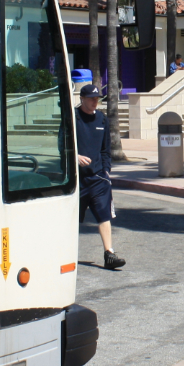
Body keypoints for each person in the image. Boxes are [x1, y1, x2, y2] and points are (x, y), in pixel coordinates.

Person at [75, 84, 125, 269]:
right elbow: (62, 145)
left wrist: (106, 171)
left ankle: (109, 253)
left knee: (104, 216)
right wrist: (75, 157)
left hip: (98, 178)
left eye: (97, 98)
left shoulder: (102, 119)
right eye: (91, 98)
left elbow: (106, 149)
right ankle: (65, 253)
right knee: (72, 219)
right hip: (76, 180)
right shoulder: (73, 117)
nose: (95, 102)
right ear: (82, 98)